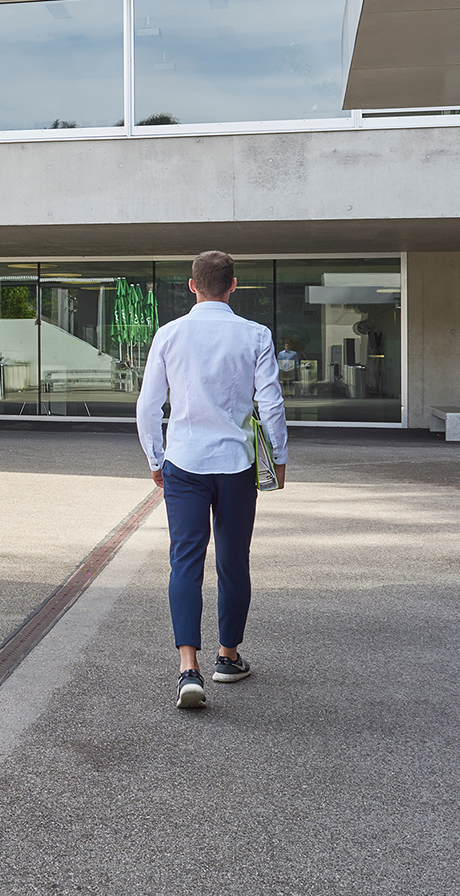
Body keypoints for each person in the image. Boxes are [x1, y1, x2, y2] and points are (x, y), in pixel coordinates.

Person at [135, 251, 287, 710]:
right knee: (233, 559)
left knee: (185, 560)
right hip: (236, 464)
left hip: (184, 462)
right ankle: (228, 657)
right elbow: (271, 405)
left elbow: (147, 407)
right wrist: (277, 458)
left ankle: (187, 669)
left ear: (191, 285)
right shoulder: (255, 335)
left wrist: (155, 459)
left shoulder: (169, 334)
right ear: (234, 285)